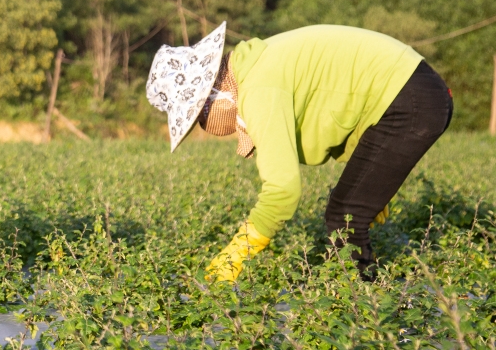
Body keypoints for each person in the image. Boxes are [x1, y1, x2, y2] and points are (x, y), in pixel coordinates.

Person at [146, 22, 453, 281]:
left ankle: (364, 314)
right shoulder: (256, 67)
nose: (204, 125)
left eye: (200, 117)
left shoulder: (259, 88)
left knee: (345, 218)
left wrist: (235, 256)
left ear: (214, 93)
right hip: (411, 93)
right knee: (348, 210)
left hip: (410, 98)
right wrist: (374, 180)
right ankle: (363, 306)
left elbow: (282, 191)